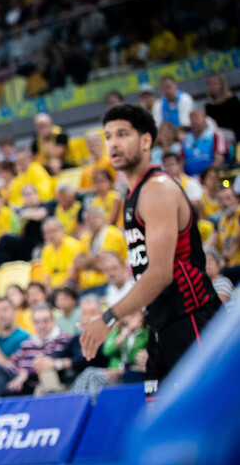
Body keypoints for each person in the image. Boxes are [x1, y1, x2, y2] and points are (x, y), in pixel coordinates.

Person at [81, 104, 222, 395]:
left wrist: (108, 317)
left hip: (191, 318)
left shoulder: (157, 188)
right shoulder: (130, 197)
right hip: (161, 326)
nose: (113, 143)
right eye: (108, 136)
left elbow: (160, 274)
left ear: (146, 140)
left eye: (123, 134)